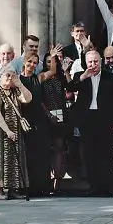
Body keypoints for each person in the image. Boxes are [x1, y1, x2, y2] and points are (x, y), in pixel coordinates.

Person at [66, 49, 113, 197]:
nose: (93, 64)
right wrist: (84, 76)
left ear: (101, 61)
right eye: (90, 62)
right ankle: (93, 186)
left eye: (96, 61)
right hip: (87, 118)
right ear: (86, 63)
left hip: (105, 118)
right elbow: (70, 88)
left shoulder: (110, 77)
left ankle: (108, 186)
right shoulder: (81, 76)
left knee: (106, 153)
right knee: (89, 153)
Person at [0, 68, 33, 200]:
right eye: (7, 75)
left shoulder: (15, 90)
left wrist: (20, 84)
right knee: (0, 158)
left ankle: (14, 188)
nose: (10, 78)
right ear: (0, 77)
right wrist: (7, 130)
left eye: (12, 76)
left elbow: (28, 99)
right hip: (1, 131)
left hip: (16, 130)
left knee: (15, 158)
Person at [18, 51, 52, 197]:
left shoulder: (38, 78)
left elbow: (53, 71)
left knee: (41, 152)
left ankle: (42, 186)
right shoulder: (17, 79)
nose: (32, 65)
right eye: (29, 62)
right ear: (24, 62)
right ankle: (27, 186)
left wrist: (54, 57)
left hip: (39, 119)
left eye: (35, 63)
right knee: (27, 153)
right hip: (24, 119)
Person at [38, 50, 69, 194]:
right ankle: (45, 180)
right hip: (46, 115)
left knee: (59, 147)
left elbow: (70, 89)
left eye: (53, 61)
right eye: (48, 61)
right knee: (45, 148)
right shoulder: (42, 77)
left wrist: (66, 71)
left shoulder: (60, 77)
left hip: (61, 114)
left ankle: (57, 180)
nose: (51, 64)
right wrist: (48, 115)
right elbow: (40, 100)